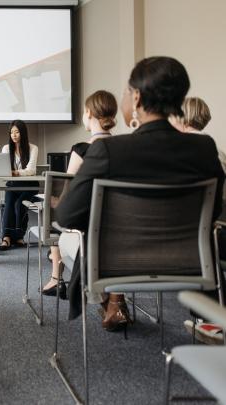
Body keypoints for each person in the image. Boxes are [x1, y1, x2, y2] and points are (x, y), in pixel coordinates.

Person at [55, 56, 224, 332]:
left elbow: (66, 214)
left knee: (70, 241)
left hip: (116, 264)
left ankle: (112, 300)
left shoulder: (109, 151)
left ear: (135, 98)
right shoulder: (204, 149)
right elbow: (213, 211)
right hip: (188, 263)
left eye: (125, 92)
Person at [42, 90, 117, 299]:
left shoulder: (82, 150)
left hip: (87, 232)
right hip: (120, 232)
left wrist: (53, 200)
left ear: (88, 113)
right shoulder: (123, 149)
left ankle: (57, 278)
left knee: (56, 214)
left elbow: (67, 193)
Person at [169, 96, 226, 344]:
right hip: (216, 226)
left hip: (185, 233)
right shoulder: (217, 151)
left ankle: (209, 320)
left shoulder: (174, 153)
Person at [0, 120, 39, 250]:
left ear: (23, 133)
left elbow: (31, 170)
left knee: (19, 204)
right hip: (13, 184)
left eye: (17, 132)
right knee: (9, 203)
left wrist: (15, 172)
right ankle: (6, 237)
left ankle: (19, 236)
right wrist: (17, 174)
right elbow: (3, 170)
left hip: (30, 185)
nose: (14, 135)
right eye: (11, 132)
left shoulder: (33, 148)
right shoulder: (6, 148)